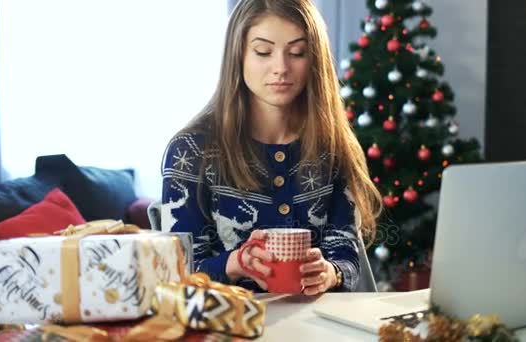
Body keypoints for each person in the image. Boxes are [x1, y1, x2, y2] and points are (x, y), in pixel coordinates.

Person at [161, 0, 381, 294]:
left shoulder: (333, 146)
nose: (281, 68)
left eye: (297, 53)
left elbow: (347, 253)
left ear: (314, 59)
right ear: (238, 56)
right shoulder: (190, 150)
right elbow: (176, 269)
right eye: (263, 52)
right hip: (227, 327)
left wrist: (331, 273)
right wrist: (234, 263)